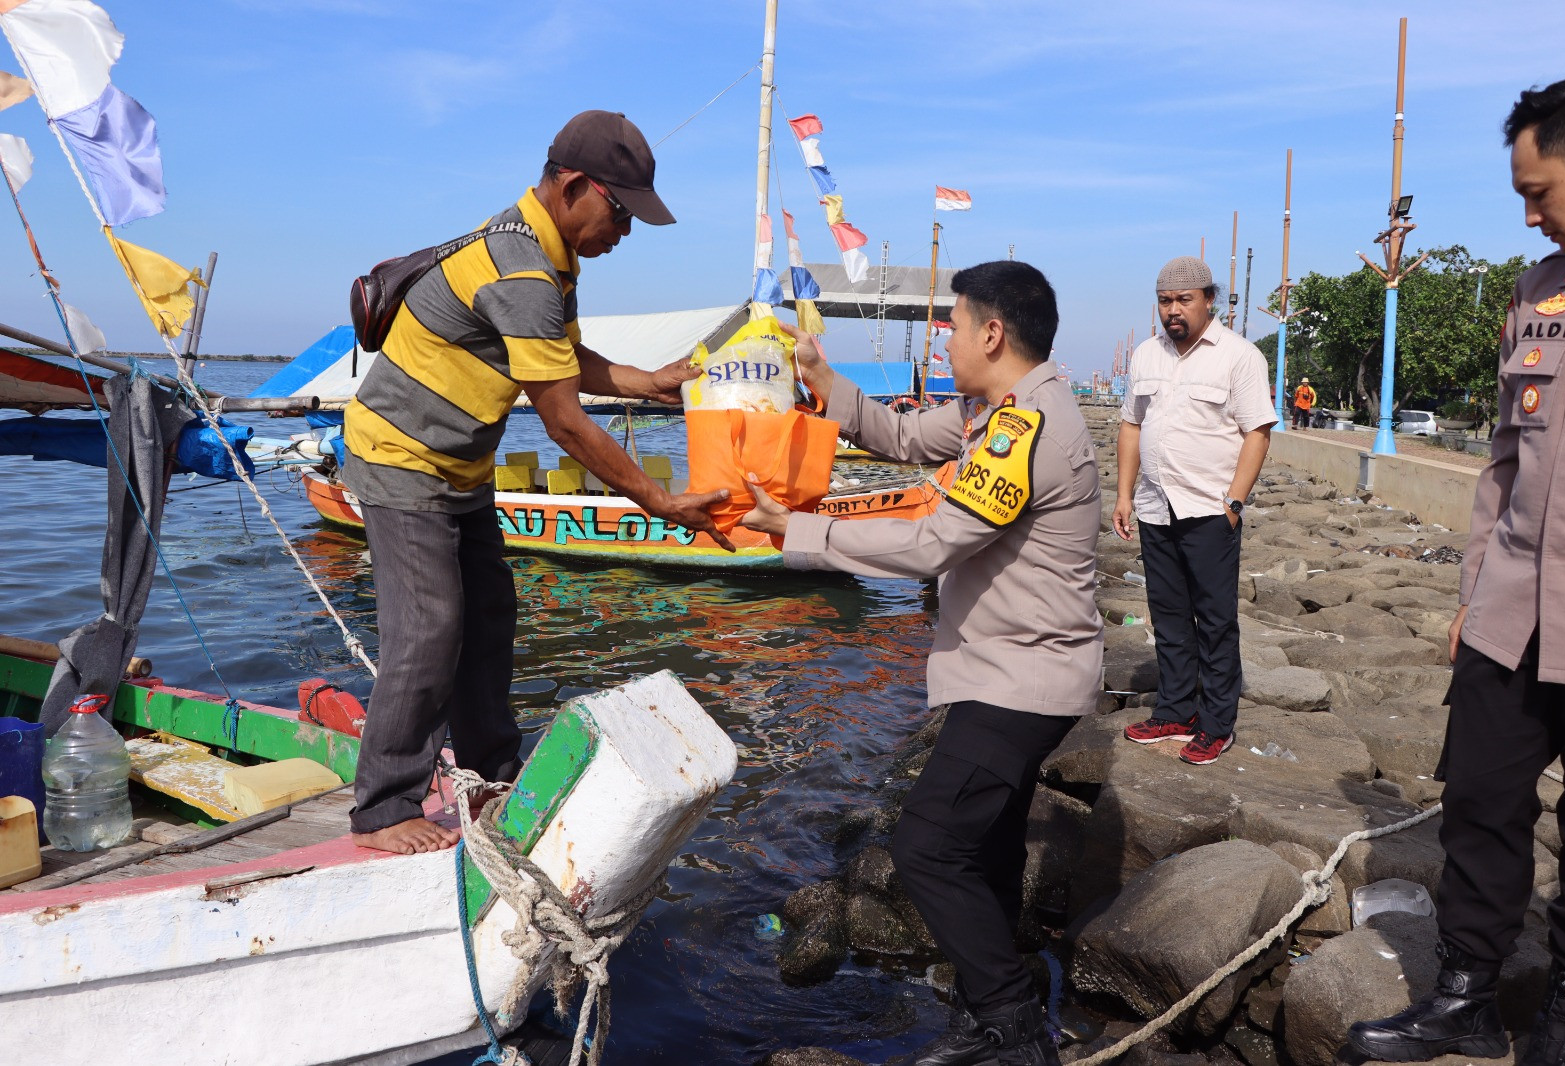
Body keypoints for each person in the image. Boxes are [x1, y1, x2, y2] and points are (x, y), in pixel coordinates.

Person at [741, 261, 1103, 1066]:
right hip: (1010, 670)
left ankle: (1011, 1025)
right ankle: (989, 1006)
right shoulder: (992, 410)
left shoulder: (1024, 430)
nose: (944, 342)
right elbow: (902, 437)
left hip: (1022, 681)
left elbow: (933, 543)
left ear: (993, 333)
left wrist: (797, 531)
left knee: (928, 847)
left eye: (952, 325)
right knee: (991, 847)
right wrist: (821, 378)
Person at [341, 111, 731, 855]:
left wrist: (647, 381)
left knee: (490, 613)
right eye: (621, 212)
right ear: (574, 186)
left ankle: (490, 774)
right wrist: (661, 501)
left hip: (459, 466)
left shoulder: (549, 257)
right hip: (401, 457)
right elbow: (565, 423)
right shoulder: (521, 269)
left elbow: (559, 355)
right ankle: (384, 808)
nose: (626, 231)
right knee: (430, 627)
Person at [1348, 72, 1565, 1066]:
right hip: (1512, 607)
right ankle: (1463, 996)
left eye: (1540, 192)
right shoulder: (1535, 294)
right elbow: (1501, 464)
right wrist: (1473, 595)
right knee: (1480, 804)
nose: (1530, 216)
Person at [1112, 256, 1276, 765]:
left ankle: (1216, 724)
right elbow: (1131, 425)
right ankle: (1175, 711)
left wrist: (1234, 503)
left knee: (1216, 621)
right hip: (1155, 507)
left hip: (1210, 509)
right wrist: (1124, 494)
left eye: (1184, 300)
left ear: (1210, 299)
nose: (1173, 310)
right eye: (1165, 301)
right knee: (1168, 617)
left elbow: (1257, 431)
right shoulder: (1146, 354)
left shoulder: (1239, 356)